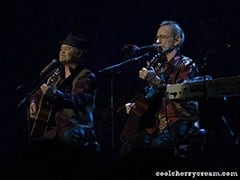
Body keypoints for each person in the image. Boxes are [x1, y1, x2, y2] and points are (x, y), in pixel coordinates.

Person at [120, 20, 206, 170]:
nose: (158, 41)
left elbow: (180, 93)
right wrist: (137, 105)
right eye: (157, 37)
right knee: (128, 147)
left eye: (164, 37)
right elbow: (151, 95)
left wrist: (156, 81)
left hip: (180, 118)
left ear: (177, 40)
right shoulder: (159, 66)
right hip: (157, 122)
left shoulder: (186, 64)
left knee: (157, 148)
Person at [26, 30, 102, 179]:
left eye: (67, 49)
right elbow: (38, 92)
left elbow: (77, 101)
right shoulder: (56, 73)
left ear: (79, 54)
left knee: (66, 143)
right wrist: (34, 102)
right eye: (61, 49)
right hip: (56, 127)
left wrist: (54, 94)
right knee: (36, 146)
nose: (62, 52)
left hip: (77, 126)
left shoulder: (86, 76)